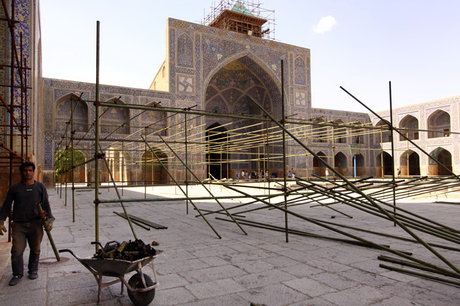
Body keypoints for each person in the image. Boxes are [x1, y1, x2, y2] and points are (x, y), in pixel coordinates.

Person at [0, 162, 54, 286]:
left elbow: (46, 204)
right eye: (25, 171)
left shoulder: (40, 187)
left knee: (35, 249)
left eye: (30, 170)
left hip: (36, 223)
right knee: (17, 250)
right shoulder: (15, 188)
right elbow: (6, 205)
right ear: (21, 172)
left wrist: (49, 220)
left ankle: (33, 270)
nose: (27, 173)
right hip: (19, 224)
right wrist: (1, 220)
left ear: (33, 172)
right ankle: (17, 274)